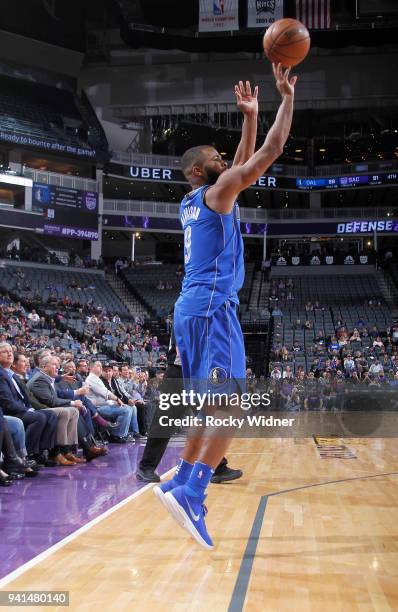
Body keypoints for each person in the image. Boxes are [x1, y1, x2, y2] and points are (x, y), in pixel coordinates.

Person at [153, 64, 297, 549]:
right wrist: (286, 97)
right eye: (214, 156)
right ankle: (194, 491)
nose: (222, 159)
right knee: (232, 404)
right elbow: (268, 155)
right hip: (213, 308)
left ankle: (179, 479)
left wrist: (251, 117)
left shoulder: (196, 200)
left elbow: (240, 160)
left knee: (209, 403)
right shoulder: (217, 193)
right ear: (199, 169)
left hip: (189, 308)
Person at [136, 326, 242, 483]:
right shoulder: (185, 314)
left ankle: (217, 468)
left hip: (196, 375)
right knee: (164, 423)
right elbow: (181, 351)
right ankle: (146, 467)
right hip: (178, 374)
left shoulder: (204, 321)